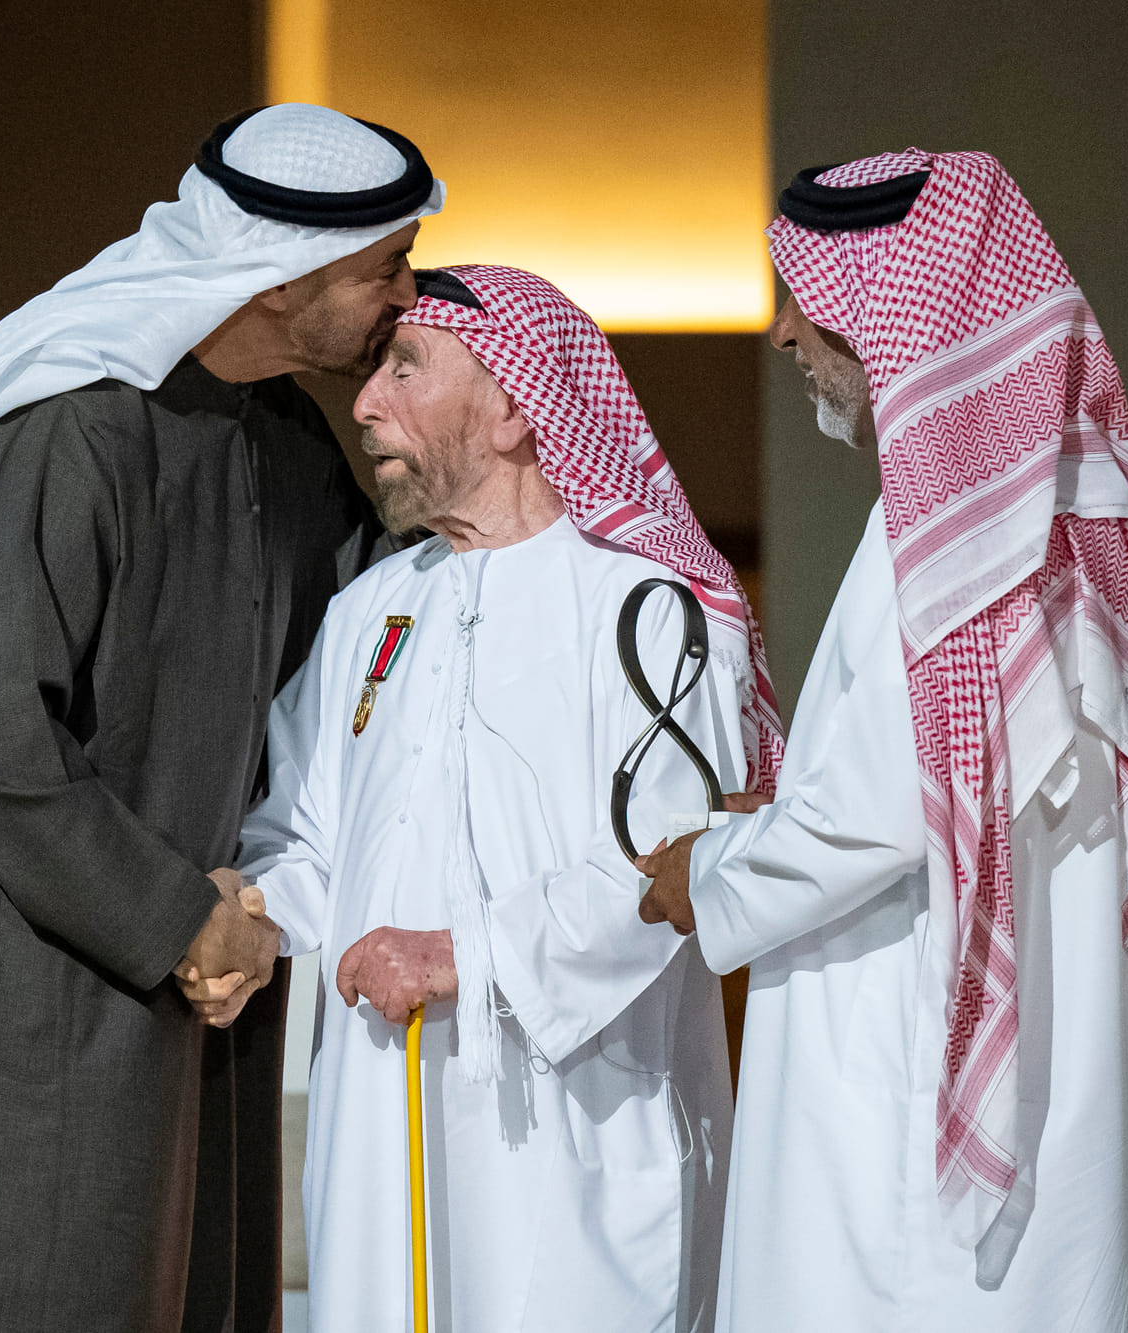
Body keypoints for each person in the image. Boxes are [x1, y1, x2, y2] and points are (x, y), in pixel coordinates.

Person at [0, 104, 443, 1332]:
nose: (404, 299)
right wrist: (182, 920)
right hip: (3, 978)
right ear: (277, 277)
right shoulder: (68, 426)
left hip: (191, 975)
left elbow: (367, 657)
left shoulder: (283, 440)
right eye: (383, 269)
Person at [636, 151, 1128, 1329]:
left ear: (890, 308)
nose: (784, 335)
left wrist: (709, 871)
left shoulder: (954, 538)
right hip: (1074, 1061)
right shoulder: (1094, 511)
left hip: (911, 1062)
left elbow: (880, 816)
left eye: (804, 297)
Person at [203, 265, 783, 1332]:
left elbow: (678, 872)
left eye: (403, 369)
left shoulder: (650, 608)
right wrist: (251, 916)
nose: (363, 403)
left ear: (516, 406)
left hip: (572, 1135)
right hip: (381, 1136)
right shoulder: (370, 610)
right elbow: (306, 834)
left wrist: (460, 952)